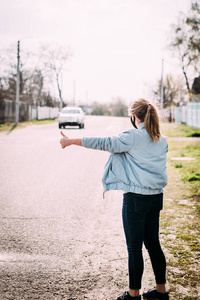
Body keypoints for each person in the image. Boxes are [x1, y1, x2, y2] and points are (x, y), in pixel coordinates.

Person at [60, 98, 169, 300]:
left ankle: (133, 294)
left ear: (134, 116)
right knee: (153, 244)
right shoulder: (161, 139)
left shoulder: (132, 136)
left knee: (134, 248)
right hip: (155, 198)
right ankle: (161, 291)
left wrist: (71, 141)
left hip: (136, 200)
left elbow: (104, 143)